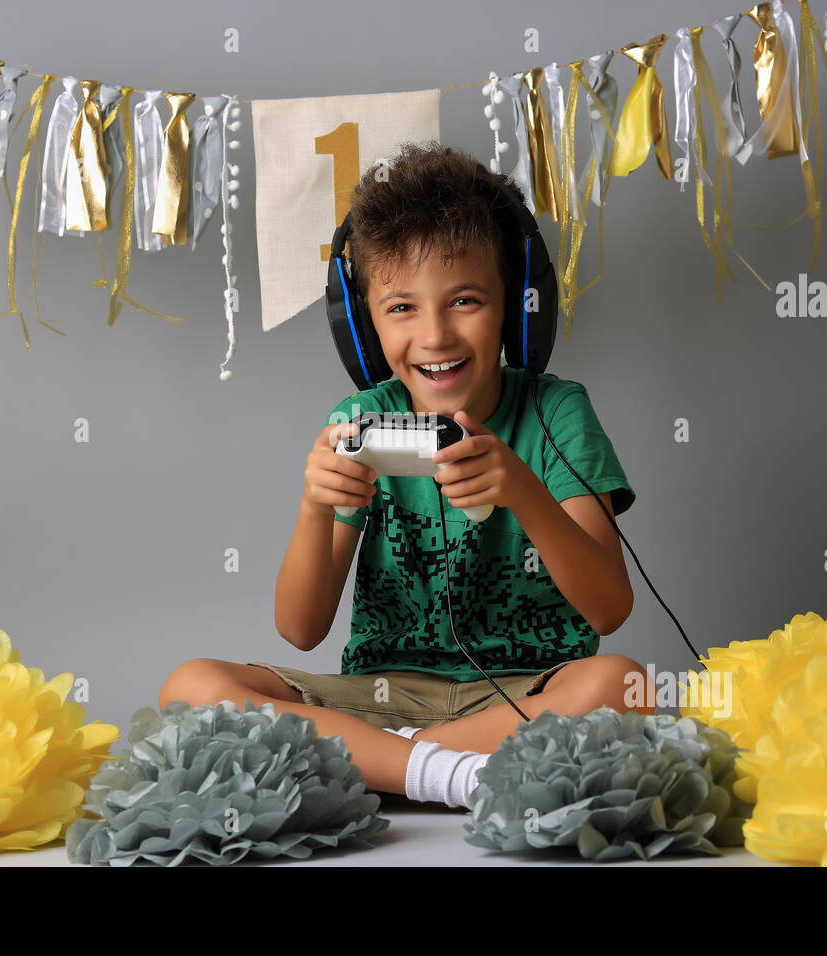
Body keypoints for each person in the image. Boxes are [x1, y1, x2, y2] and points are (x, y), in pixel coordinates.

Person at [158, 142, 654, 811]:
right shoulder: (361, 418)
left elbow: (610, 609)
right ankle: (447, 773)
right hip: (382, 692)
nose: (435, 336)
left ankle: (384, 761)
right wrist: (314, 507)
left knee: (624, 688)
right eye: (401, 308)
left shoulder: (557, 411)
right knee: (191, 686)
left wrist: (523, 491)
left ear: (517, 307)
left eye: (465, 300)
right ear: (363, 326)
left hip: (522, 691)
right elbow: (300, 629)